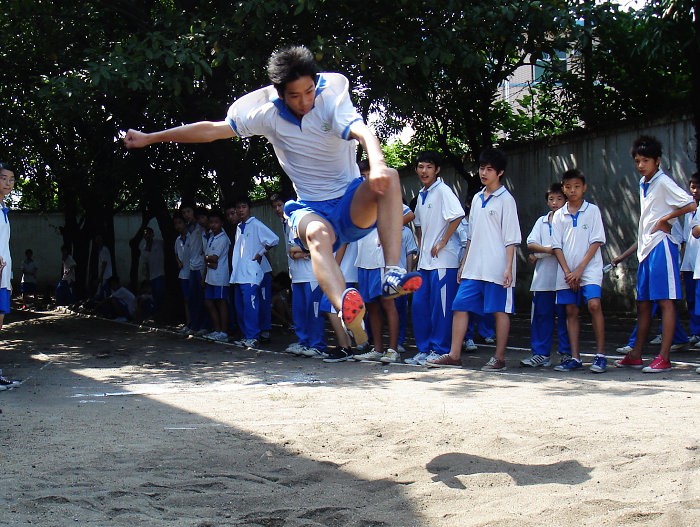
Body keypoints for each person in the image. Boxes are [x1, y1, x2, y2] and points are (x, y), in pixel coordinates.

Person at [123, 45, 421, 347]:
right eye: (295, 95)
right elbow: (211, 130)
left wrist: (379, 164)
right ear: (280, 94)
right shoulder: (264, 112)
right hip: (310, 208)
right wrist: (152, 138)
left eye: (308, 91)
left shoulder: (331, 95)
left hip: (349, 199)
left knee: (392, 177)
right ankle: (345, 306)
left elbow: (364, 132)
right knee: (317, 234)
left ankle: (393, 274)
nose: (305, 101)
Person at [428, 148, 521, 370]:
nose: (484, 173)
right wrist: (463, 264)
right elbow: (470, 237)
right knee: (459, 306)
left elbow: (511, 239)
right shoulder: (478, 198)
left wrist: (508, 267)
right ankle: (454, 354)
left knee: (500, 310)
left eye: (489, 169)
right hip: (473, 267)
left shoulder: (506, 200)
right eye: (482, 168)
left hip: (497, 267)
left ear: (500, 173)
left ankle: (499, 358)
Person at [615, 136, 696, 373]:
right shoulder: (644, 182)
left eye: (646, 160)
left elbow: (691, 203)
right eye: (638, 160)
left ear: (657, 161)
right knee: (643, 304)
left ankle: (664, 357)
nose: (641, 165)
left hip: (662, 246)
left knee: (666, 301)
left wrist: (665, 219)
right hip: (646, 249)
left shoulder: (662, 182)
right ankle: (637, 354)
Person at [407, 151, 464, 365]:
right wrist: (422, 246)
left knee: (440, 308)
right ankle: (424, 349)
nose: (424, 171)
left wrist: (442, 242)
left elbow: (457, 215)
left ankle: (439, 349)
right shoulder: (422, 194)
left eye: (429, 167)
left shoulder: (443, 191)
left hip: (443, 261)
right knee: (420, 306)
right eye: (421, 166)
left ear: (437, 170)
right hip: (425, 263)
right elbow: (419, 225)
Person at [550, 169, 607, 373]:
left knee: (594, 305)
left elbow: (596, 242)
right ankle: (575, 357)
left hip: (589, 269)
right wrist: (568, 271)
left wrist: (580, 270)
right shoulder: (559, 216)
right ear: (563, 188)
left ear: (584, 188)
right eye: (568, 187)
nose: (572, 190)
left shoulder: (592, 211)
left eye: (576, 186)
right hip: (566, 272)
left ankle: (600, 355)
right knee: (570, 311)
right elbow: (556, 246)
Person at [520, 183, 571, 367]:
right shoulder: (541, 221)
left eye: (559, 199)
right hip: (542, 279)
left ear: (565, 200)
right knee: (541, 316)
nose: (555, 203)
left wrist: (539, 254)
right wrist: (550, 250)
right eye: (551, 199)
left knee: (566, 317)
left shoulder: (568, 220)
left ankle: (566, 353)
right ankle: (541, 353)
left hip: (563, 278)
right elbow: (531, 244)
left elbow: (566, 247)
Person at [229, 196, 279, 348]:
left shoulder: (256, 224)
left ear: (249, 208)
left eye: (243, 206)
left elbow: (273, 239)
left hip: (251, 273)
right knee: (240, 306)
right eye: (238, 207)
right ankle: (247, 335)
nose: (240, 210)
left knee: (252, 305)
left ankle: (253, 336)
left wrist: (260, 253)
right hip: (238, 273)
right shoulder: (238, 227)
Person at [0, 161, 21, 390]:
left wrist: (9, 279)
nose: (8, 183)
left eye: (11, 179)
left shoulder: (3, 211)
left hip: (3, 278)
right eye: (4, 178)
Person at [202, 210, 231, 342]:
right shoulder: (211, 237)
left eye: (216, 222)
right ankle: (217, 329)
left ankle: (223, 331)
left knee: (221, 302)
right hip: (210, 276)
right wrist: (208, 260)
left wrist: (207, 259)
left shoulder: (223, 239)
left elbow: (213, 258)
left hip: (220, 276)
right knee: (208, 302)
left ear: (221, 223)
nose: (213, 225)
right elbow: (209, 259)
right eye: (211, 222)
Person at [181, 202, 207, 335]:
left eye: (188, 212)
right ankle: (194, 324)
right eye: (184, 213)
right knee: (192, 298)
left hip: (201, 267)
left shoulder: (200, 228)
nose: (186, 215)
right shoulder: (187, 229)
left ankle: (202, 325)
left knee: (201, 298)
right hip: (192, 267)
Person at [680, 173, 700, 343]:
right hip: (689, 261)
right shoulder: (688, 210)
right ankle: (695, 331)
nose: (695, 190)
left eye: (698, 187)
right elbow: (686, 237)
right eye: (692, 187)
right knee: (692, 298)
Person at [173, 212, 192, 332]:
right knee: (186, 299)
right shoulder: (177, 240)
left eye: (180, 222)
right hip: (183, 274)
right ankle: (189, 322)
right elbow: (175, 253)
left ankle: (195, 323)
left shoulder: (192, 236)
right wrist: (178, 262)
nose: (178, 226)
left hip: (193, 272)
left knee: (194, 299)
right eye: (175, 224)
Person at [139, 227, 165, 315]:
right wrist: (147, 277)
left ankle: (161, 313)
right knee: (154, 296)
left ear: (152, 234)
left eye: (148, 233)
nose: (147, 236)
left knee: (160, 294)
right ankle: (157, 314)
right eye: (145, 234)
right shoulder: (143, 248)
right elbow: (145, 264)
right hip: (152, 276)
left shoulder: (159, 243)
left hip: (161, 274)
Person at [93, 234, 112, 299]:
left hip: (105, 276)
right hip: (104, 275)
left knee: (104, 293)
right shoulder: (101, 250)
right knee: (100, 292)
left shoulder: (104, 250)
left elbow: (104, 263)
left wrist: (100, 276)